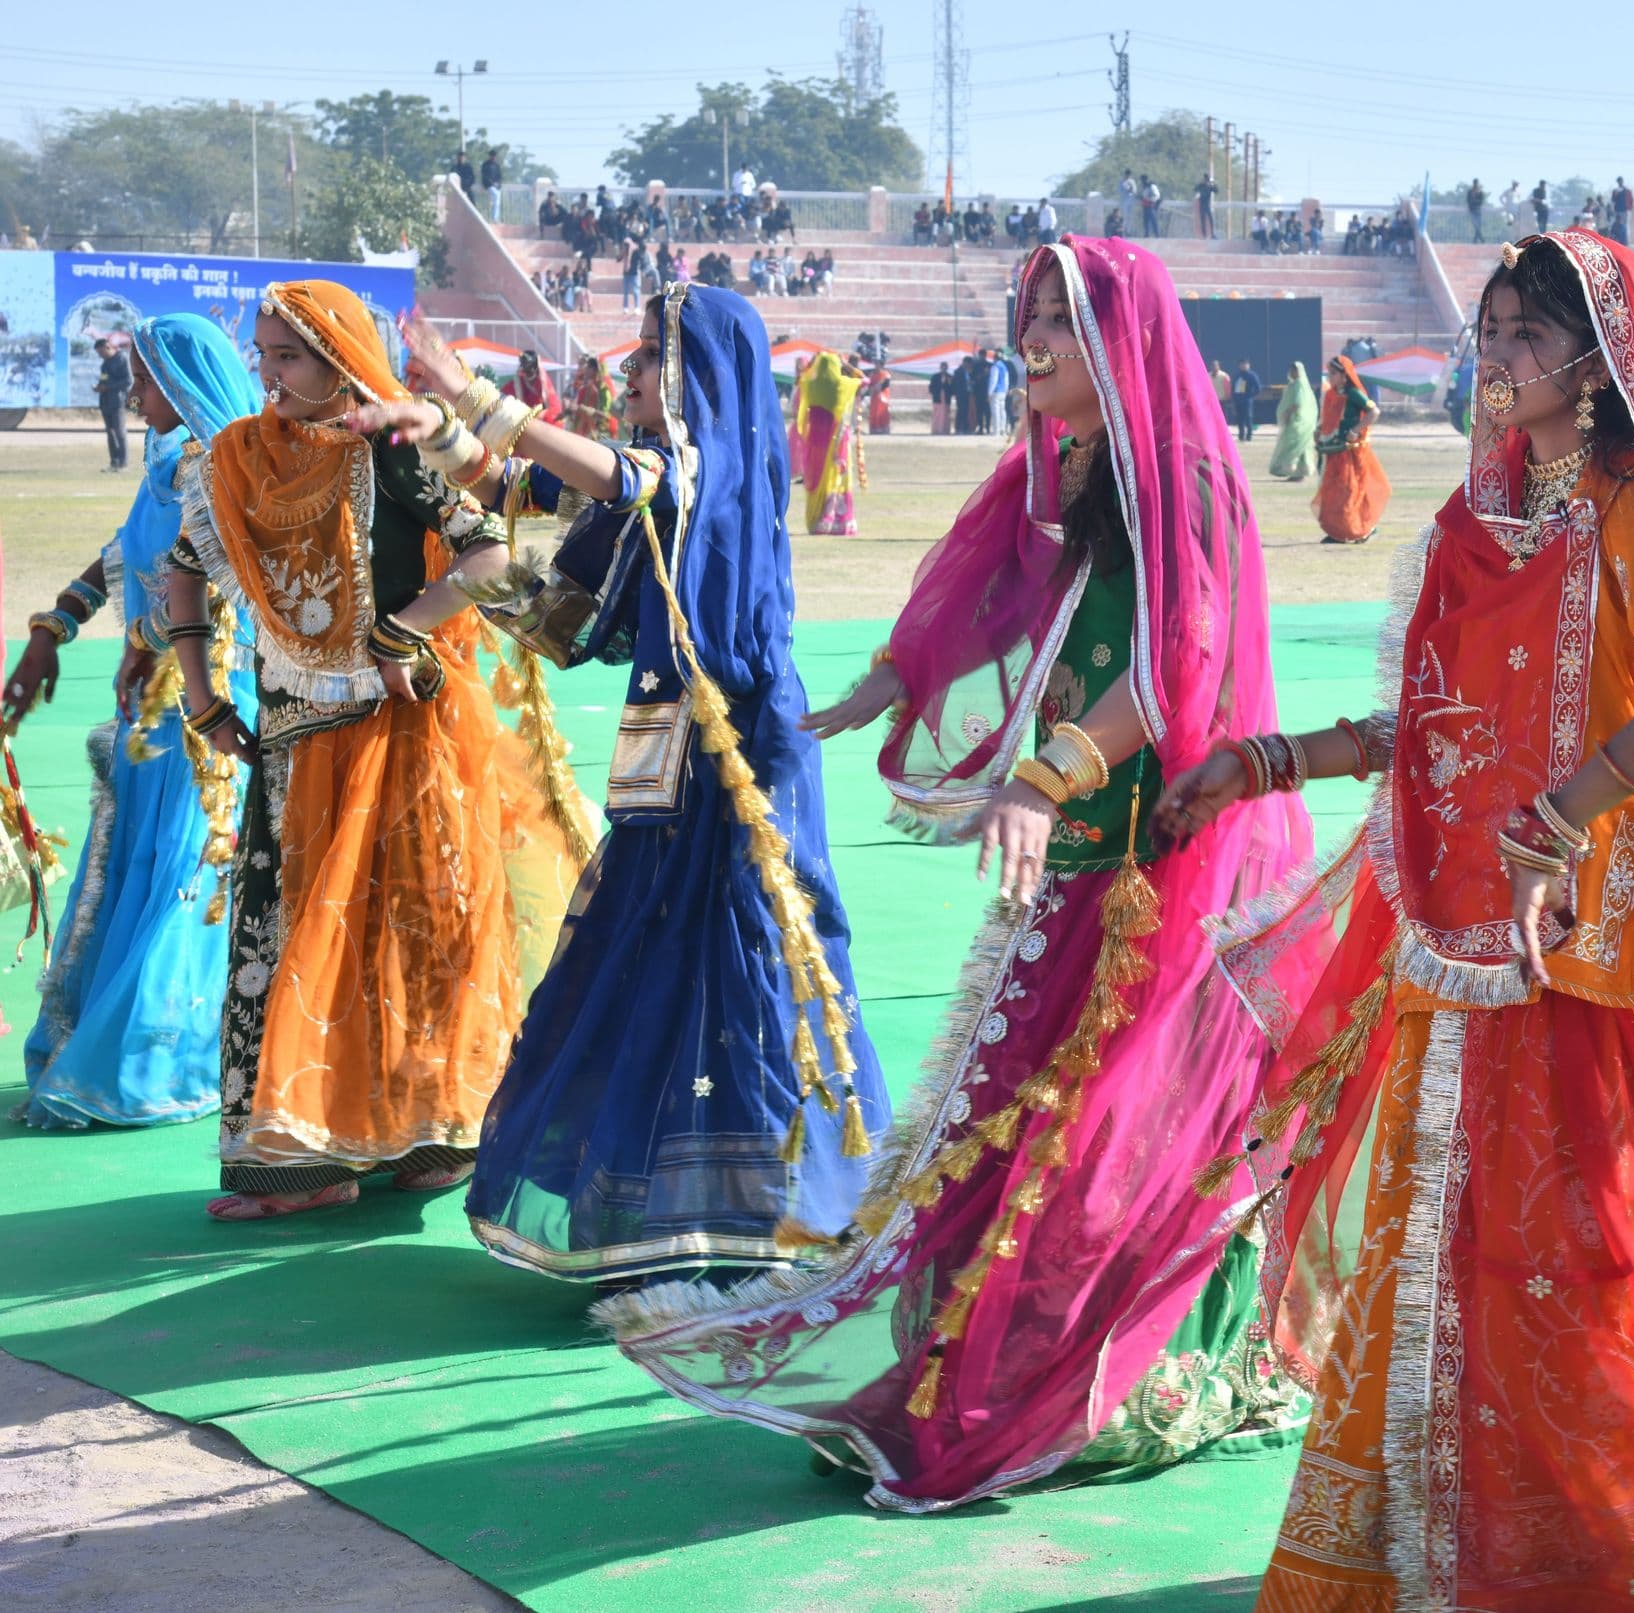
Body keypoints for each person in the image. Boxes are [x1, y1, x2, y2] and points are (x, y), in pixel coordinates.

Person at [1161, 228, 1634, 1612]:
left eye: (1527, 338)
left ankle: (1621, 1544)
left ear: (1597, 368)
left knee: (1576, 1241)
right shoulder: (1473, 532)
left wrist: (1558, 816)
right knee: (1438, 1225)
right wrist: (1270, 759)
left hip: (1567, 938)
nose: (1499, 361)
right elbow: (1430, 731)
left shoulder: (1632, 517)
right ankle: (1428, 1537)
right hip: (1454, 927)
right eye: (1488, 335)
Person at [602, 235, 1316, 1506]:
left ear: (1116, 342)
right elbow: (982, 589)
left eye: (1057, 320)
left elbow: (1171, 680)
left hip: (1156, 856)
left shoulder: (1185, 484)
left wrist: (1041, 779)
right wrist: (892, 677)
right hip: (1082, 855)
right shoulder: (1066, 463)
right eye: (1027, 314)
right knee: (1024, 1117)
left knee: (1112, 1132)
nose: (1030, 340)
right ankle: (997, 1366)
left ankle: (1123, 1376)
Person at [328, 289, 890, 1285]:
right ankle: (653, 1198)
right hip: (663, 745)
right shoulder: (653, 483)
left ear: (695, 376)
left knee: (739, 960)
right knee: (643, 960)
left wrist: (479, 396)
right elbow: (530, 504)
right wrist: (444, 430)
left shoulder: (711, 473)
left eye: (647, 362)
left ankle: (770, 1201)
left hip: (739, 755)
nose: (627, 378)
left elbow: (629, 480)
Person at [162, 281, 584, 1220]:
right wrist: (203, 700)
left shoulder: (385, 448)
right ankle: (309, 1162)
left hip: (399, 738)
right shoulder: (233, 460)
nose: (267, 374)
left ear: (338, 358)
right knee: (296, 938)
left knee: (413, 931)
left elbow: (490, 557)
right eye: (262, 354)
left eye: (289, 356)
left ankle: (428, 1136)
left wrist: (404, 631)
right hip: (290, 748)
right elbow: (179, 578)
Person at [6, 314, 261, 1130]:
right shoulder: (165, 464)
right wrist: (53, 626)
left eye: (147, 379)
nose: (136, 392)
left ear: (183, 384)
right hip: (148, 713)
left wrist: (150, 643)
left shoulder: (215, 472)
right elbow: (121, 557)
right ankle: (141, 1045)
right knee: (140, 868)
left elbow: (218, 589)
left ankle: (166, 1057)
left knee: (186, 878)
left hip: (204, 708)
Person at [1314, 354, 1388, 543]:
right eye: (1329, 373)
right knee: (1331, 490)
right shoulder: (1330, 394)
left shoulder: (1353, 394)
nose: (1329, 377)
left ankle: (1357, 530)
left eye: (1333, 373)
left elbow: (1374, 412)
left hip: (1348, 451)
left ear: (1344, 375)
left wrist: (1355, 430)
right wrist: (1318, 430)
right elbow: (1326, 419)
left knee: (1348, 491)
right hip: (1332, 450)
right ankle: (1337, 531)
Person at [793, 349, 865, 535]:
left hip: (815, 443)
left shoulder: (811, 384)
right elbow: (864, 380)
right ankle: (837, 521)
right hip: (837, 442)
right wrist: (846, 364)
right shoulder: (841, 386)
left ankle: (819, 520)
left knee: (818, 478)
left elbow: (800, 378)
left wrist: (811, 364)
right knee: (836, 479)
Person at [1268, 359, 1318, 480]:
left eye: (1294, 370)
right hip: (1296, 421)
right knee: (1299, 447)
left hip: (1298, 422)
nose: (1291, 372)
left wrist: (1288, 414)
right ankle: (1298, 472)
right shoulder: (1294, 384)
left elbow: (1298, 403)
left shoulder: (1299, 385)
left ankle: (1294, 471)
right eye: (1291, 370)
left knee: (1294, 446)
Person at [94, 338, 132, 471]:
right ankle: (114, 462)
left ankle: (123, 463)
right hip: (105, 402)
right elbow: (104, 378)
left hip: (118, 402)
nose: (100, 355)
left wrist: (108, 387)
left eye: (101, 352)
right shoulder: (105, 363)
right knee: (110, 433)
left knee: (119, 431)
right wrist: (99, 386)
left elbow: (128, 380)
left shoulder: (122, 358)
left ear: (108, 347)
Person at [506, 350, 563, 426]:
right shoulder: (520, 380)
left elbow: (553, 408)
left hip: (543, 421)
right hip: (525, 418)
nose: (528, 373)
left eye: (529, 368)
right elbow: (505, 393)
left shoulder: (543, 382)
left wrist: (539, 415)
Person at [564, 353, 614, 439]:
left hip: (599, 434)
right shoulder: (585, 388)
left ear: (596, 371)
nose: (585, 370)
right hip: (583, 432)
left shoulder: (604, 392)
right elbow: (577, 408)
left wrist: (585, 409)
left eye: (588, 368)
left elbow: (605, 415)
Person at [1229, 357, 1262, 442]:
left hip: (1247, 401)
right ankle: (1241, 435)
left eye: (1245, 364)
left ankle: (1249, 435)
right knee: (1240, 419)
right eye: (1241, 364)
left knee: (1248, 418)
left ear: (1248, 365)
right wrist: (1233, 400)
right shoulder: (1237, 376)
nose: (1243, 366)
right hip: (1237, 400)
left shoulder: (1252, 375)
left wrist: (1249, 396)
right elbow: (1233, 388)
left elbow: (1258, 388)